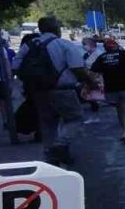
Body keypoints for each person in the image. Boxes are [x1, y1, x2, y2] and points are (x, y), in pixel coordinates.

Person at [13, 15, 91, 166]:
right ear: (57, 29)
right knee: (75, 119)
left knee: (48, 124)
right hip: (63, 90)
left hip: (38, 92)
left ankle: (50, 160)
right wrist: (90, 83)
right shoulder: (63, 44)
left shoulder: (29, 45)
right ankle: (59, 145)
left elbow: (16, 67)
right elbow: (78, 69)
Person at [91, 36, 125, 143]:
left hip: (111, 89)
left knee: (119, 108)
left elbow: (93, 74)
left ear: (105, 48)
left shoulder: (102, 57)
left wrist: (91, 85)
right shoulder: (124, 54)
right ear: (116, 46)